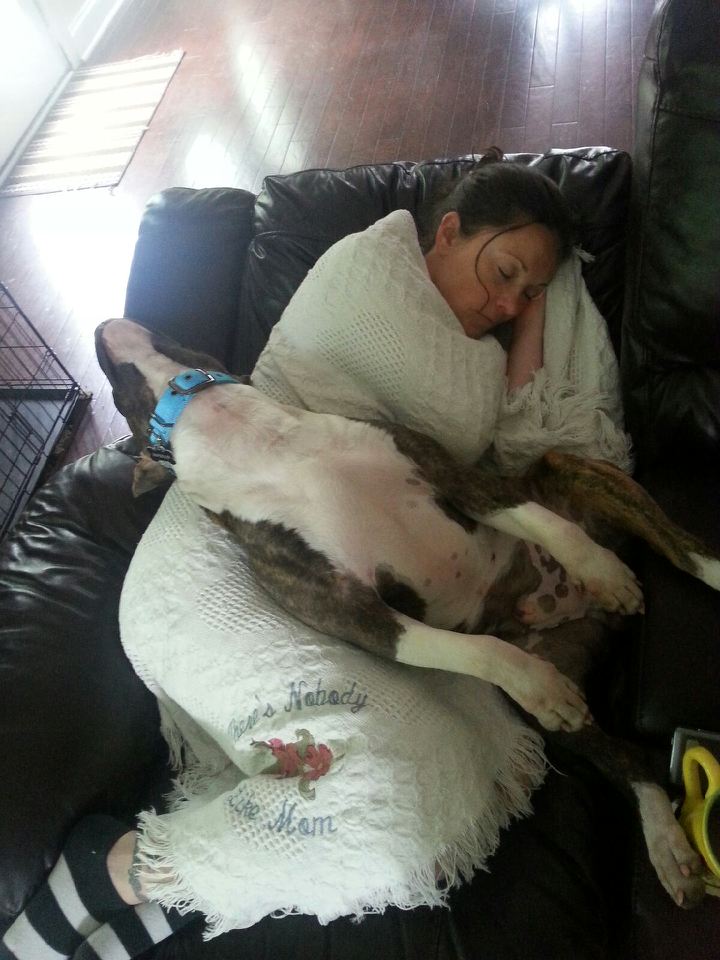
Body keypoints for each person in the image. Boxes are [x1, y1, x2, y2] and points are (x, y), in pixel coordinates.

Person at [0, 153, 631, 960]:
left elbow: (517, 438)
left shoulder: (476, 340)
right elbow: (501, 440)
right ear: (446, 232)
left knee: (416, 761)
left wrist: (535, 295)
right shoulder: (368, 270)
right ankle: (120, 870)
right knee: (389, 805)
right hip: (225, 557)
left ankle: (143, 894)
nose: (508, 304)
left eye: (530, 293)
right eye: (504, 272)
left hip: (329, 567)